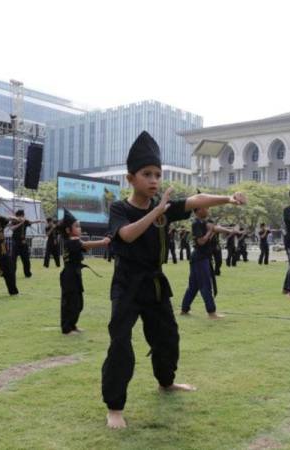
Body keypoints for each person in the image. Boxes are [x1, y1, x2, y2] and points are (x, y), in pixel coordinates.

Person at [101, 131, 247, 429]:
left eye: (157, 174)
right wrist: (157, 210)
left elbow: (196, 200)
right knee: (120, 344)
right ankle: (114, 407)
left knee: (168, 338)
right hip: (127, 286)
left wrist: (228, 198)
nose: (154, 180)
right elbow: (127, 235)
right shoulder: (120, 209)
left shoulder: (165, 207)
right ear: (131, 179)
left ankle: (166, 382)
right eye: (147, 174)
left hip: (155, 284)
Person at [58, 208, 110, 335]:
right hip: (69, 275)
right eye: (77, 226)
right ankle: (67, 328)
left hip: (75, 274)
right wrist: (103, 242)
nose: (80, 229)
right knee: (70, 303)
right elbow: (86, 245)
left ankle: (72, 325)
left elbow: (83, 246)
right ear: (68, 230)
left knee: (78, 303)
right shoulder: (71, 241)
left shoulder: (72, 241)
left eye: (80, 226)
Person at [180, 208, 236, 318]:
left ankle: (184, 309)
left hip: (201, 258)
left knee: (193, 286)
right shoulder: (196, 224)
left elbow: (217, 228)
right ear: (198, 211)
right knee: (205, 285)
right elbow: (201, 242)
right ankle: (211, 312)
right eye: (205, 208)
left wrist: (231, 231)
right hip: (200, 258)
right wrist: (211, 231)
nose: (208, 210)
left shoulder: (204, 223)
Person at [9, 210, 42, 278]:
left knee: (26, 259)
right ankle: (12, 274)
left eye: (23, 216)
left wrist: (40, 220)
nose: (23, 217)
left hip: (23, 243)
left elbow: (31, 222)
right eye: (22, 215)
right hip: (15, 242)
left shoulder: (25, 221)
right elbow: (12, 228)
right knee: (13, 260)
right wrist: (20, 223)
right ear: (18, 216)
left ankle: (28, 274)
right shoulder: (14, 221)